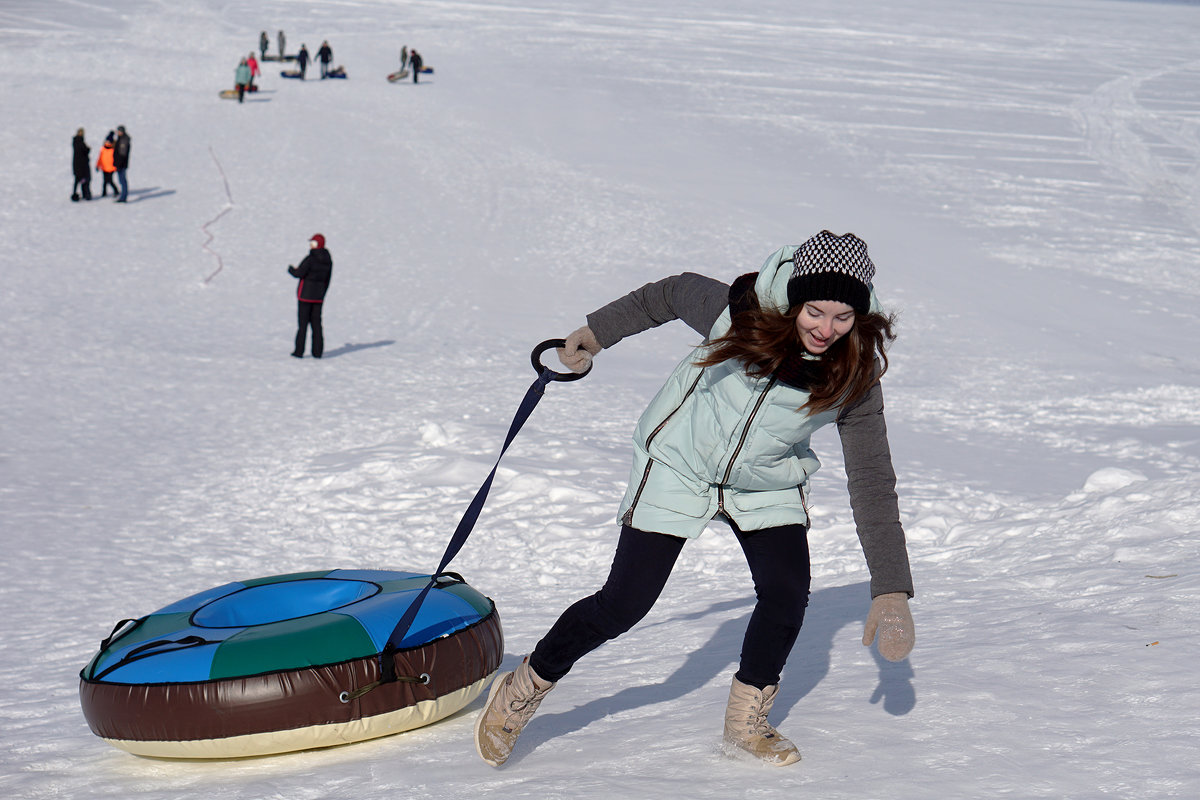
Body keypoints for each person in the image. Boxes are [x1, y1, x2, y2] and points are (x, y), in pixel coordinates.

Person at [473, 231, 916, 768]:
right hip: (681, 463)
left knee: (785, 594)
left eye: (842, 317)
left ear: (860, 315)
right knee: (625, 602)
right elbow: (671, 292)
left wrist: (890, 587)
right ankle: (523, 688)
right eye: (815, 311)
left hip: (765, 479)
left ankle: (746, 722)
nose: (826, 329)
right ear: (795, 300)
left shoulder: (855, 373)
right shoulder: (740, 315)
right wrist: (595, 334)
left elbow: (871, 476)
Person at [287, 234, 332, 358]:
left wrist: (291, 269)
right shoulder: (328, 260)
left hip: (305, 296)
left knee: (303, 325)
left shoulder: (310, 259)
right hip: (318, 297)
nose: (311, 245)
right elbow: (328, 279)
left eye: (313, 243)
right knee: (316, 324)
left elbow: (299, 273)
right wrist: (322, 292)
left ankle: (299, 351)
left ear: (317, 244)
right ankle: (317, 352)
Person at [71, 128, 92, 201]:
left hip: (76, 165)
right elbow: (85, 150)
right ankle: (87, 195)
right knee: (85, 180)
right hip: (82, 166)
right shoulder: (81, 142)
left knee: (77, 181)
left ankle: (75, 194)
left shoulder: (75, 142)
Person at [95, 132, 117, 197]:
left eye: (109, 142)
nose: (107, 143)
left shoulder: (113, 149)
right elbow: (100, 158)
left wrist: (116, 166)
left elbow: (116, 159)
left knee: (110, 180)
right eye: (106, 141)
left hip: (111, 168)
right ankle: (104, 192)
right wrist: (98, 165)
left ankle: (116, 190)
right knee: (105, 181)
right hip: (104, 167)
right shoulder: (103, 149)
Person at [113, 125, 131, 203]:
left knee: (123, 180)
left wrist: (118, 163)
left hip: (121, 164)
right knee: (121, 180)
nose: (117, 133)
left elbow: (122, 154)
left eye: (119, 131)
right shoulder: (121, 139)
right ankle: (123, 196)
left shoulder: (124, 140)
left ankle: (123, 197)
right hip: (120, 163)